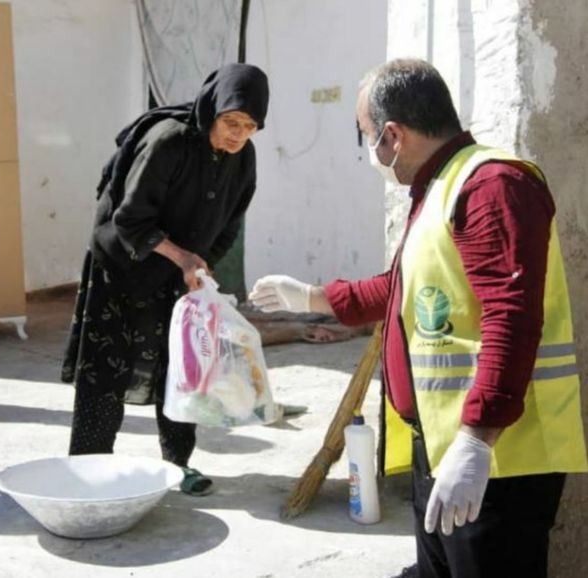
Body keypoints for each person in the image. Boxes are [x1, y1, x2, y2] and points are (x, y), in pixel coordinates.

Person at [250, 59, 587, 577]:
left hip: (499, 459)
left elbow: (511, 317)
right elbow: (403, 285)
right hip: (446, 446)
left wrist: (477, 440)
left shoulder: (490, 186)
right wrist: (316, 296)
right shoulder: (439, 188)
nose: (371, 153)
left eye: (366, 136)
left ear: (393, 135)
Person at [62, 63, 269, 496]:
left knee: (182, 368)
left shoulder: (243, 157)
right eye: (231, 122)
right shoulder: (169, 141)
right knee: (107, 371)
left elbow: (230, 221)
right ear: (212, 111)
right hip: (122, 264)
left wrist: (201, 265)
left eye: (249, 127)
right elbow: (130, 218)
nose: (237, 134)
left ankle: (179, 465)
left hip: (179, 271)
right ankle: (88, 471)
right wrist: (183, 256)